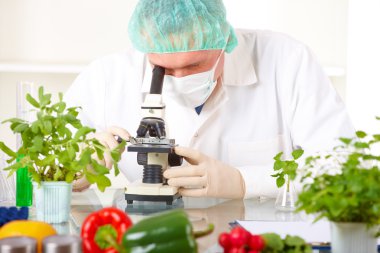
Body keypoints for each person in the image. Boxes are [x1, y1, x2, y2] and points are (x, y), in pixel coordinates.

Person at [66, 0, 355, 199]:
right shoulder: (106, 78)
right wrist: (74, 172)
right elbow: (37, 167)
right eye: (162, 69)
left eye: (193, 66)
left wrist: (245, 181)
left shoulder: (288, 62)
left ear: (223, 42)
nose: (178, 78)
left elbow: (346, 170)